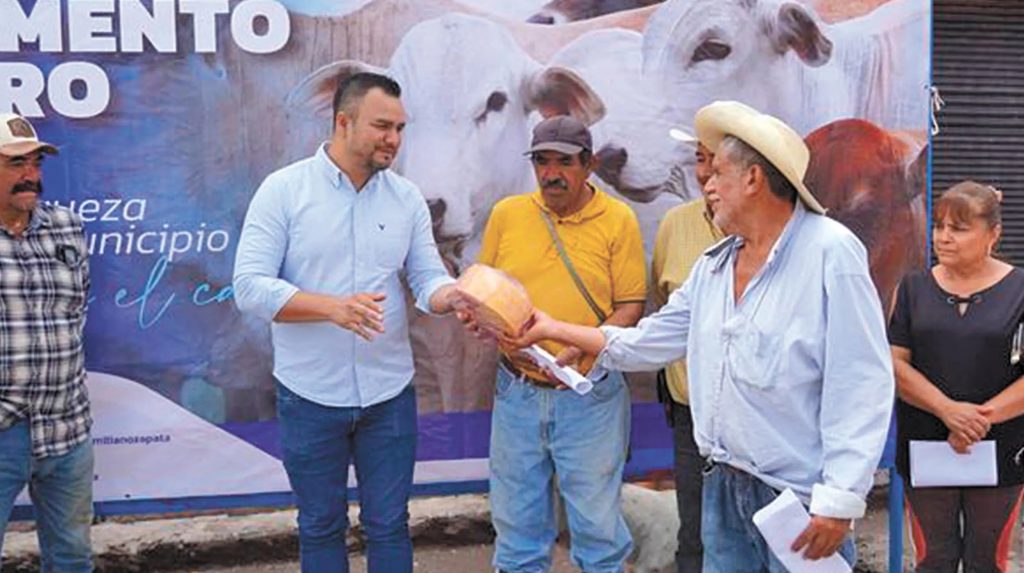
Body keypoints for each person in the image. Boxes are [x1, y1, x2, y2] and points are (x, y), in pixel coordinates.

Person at [510, 101, 894, 571]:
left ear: (753, 179)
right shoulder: (715, 265)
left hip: (797, 498)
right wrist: (550, 328)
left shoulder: (830, 253)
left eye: (718, 174)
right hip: (723, 488)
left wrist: (839, 498)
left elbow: (861, 381)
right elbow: (649, 340)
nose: (706, 185)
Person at [233, 73, 458, 573]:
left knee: (390, 525)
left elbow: (427, 279)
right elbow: (248, 286)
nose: (394, 140)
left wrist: (456, 297)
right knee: (319, 526)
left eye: (400, 128)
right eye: (382, 126)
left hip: (389, 396)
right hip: (309, 395)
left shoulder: (405, 198)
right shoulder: (284, 191)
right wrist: (329, 307)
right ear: (343, 121)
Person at [472, 115, 646, 573]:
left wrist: (581, 351)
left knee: (598, 531)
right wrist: (481, 320)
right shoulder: (508, 214)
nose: (551, 173)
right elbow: (483, 288)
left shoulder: (619, 219)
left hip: (588, 393)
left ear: (587, 166)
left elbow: (630, 307)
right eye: (542, 161)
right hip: (518, 389)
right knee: (517, 530)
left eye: (564, 163)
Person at [890, 181, 1024, 572]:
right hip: (928, 444)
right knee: (935, 558)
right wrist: (947, 410)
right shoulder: (913, 288)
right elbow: (894, 364)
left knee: (987, 560)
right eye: (939, 226)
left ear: (993, 234)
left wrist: (977, 419)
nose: (943, 238)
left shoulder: (1020, 289)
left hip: (999, 447)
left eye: (959, 228)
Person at [0, 113, 94, 572]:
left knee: (73, 557)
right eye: (15, 164)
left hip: (66, 428)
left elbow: (78, 310)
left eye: (35, 163)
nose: (30, 176)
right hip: (3, 430)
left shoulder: (67, 227)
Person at [651, 131, 720, 573]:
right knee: (693, 537)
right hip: (690, 415)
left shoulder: (808, 238)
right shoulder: (676, 224)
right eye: (700, 160)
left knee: (762, 537)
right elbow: (665, 316)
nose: (707, 175)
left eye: (719, 163)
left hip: (764, 426)